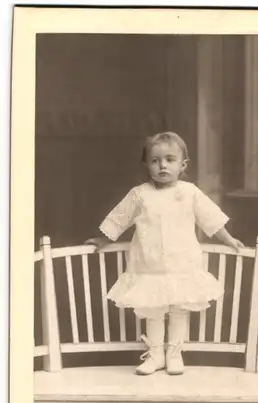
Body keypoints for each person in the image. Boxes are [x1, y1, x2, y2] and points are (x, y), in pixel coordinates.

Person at [86, 131, 244, 376]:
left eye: (169, 159)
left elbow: (210, 219)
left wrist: (229, 239)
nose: (162, 165)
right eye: (155, 160)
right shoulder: (140, 194)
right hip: (148, 265)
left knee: (180, 308)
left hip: (182, 264)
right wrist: (102, 239)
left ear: (182, 165)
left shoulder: (190, 192)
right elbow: (119, 220)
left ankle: (174, 353)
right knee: (153, 309)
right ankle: (155, 354)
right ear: (146, 165)